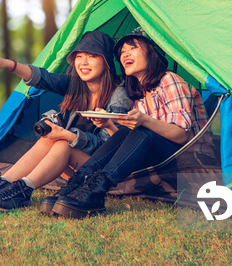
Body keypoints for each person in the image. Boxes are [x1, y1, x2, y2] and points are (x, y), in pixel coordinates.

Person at [50, 27, 213, 219]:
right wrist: (109, 124)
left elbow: (182, 136)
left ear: (152, 51)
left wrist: (144, 120)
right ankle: (78, 182)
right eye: (121, 53)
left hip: (191, 162)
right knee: (130, 130)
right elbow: (128, 142)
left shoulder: (170, 80)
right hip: (161, 161)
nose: (124, 54)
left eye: (132, 48)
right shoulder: (140, 93)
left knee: (144, 129)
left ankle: (98, 190)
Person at [0, 31, 133, 212]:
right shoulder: (76, 85)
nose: (83, 62)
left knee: (62, 143)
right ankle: (4, 183)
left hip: (103, 173)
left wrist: (66, 135)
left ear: (106, 61)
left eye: (91, 56)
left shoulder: (119, 94)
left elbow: (109, 145)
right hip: (77, 170)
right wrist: (9, 65)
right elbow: (42, 78)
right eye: (79, 56)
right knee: (50, 138)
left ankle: (23, 190)